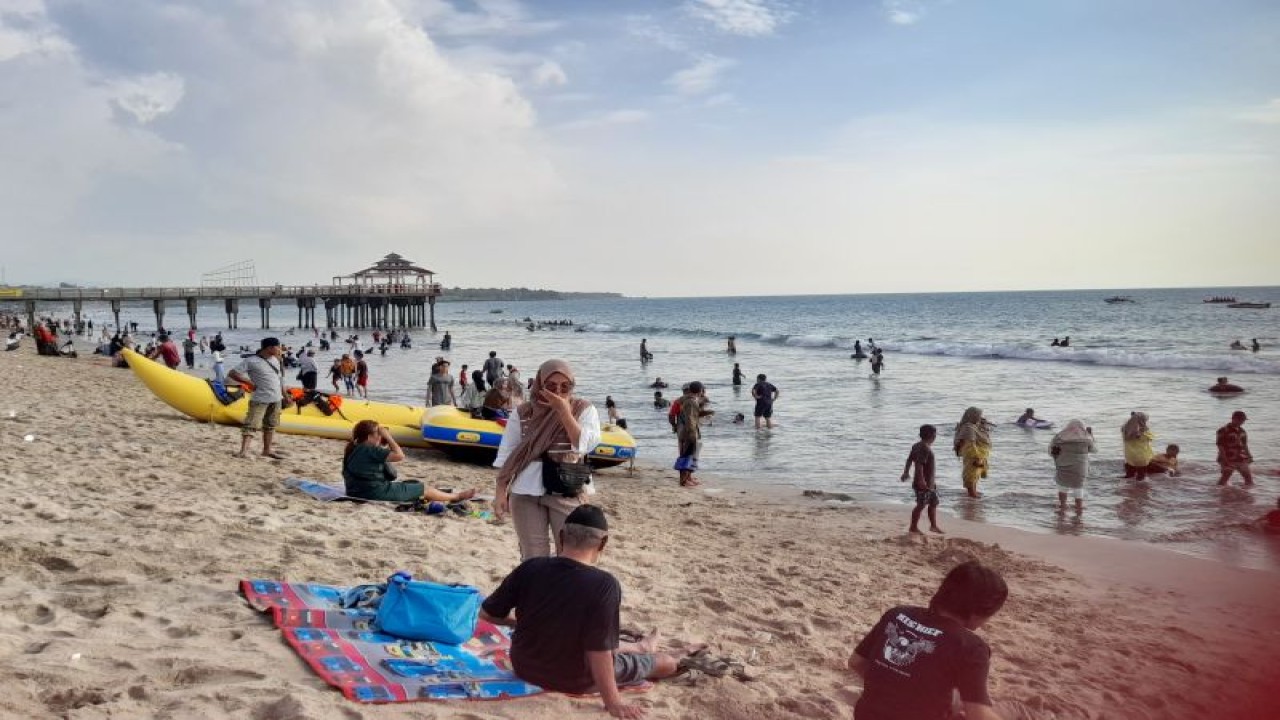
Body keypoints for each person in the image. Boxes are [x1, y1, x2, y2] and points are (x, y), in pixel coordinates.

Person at [479, 505, 682, 717]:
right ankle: (642, 650)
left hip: (525, 666)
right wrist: (613, 702)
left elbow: (487, 613)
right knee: (666, 663)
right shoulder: (604, 584)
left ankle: (640, 646)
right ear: (603, 543)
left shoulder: (530, 567)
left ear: (561, 536)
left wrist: (521, 622)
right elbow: (599, 652)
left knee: (581, 634)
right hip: (575, 678)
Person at [848, 561, 1009, 720]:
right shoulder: (971, 647)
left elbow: (856, 662)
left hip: (867, 714)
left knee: (958, 699)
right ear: (979, 612)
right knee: (1015, 710)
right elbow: (977, 715)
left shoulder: (897, 615)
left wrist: (894, 689)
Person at [493, 359, 602, 560]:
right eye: (551, 386)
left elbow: (584, 444)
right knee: (533, 556)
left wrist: (563, 411)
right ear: (540, 385)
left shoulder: (583, 409)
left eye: (564, 387)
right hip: (525, 492)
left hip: (566, 489)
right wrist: (500, 492)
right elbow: (508, 454)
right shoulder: (524, 412)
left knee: (570, 555)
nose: (558, 392)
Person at [343, 420, 476, 503]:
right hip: (373, 492)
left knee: (412, 483)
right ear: (369, 437)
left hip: (354, 490)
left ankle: (442, 493)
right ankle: (457, 497)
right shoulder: (370, 449)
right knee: (423, 489)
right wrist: (389, 437)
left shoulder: (353, 447)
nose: (380, 437)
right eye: (378, 434)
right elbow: (400, 456)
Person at [227, 337, 290, 459]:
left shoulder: (276, 360)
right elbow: (233, 373)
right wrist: (249, 383)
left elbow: (280, 379)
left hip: (276, 398)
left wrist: (285, 396)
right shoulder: (251, 361)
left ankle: (267, 450)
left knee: (271, 425)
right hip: (260, 399)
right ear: (269, 348)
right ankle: (243, 451)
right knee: (250, 425)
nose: (280, 349)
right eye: (278, 347)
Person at [901, 424, 942, 534]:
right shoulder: (925, 448)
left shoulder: (916, 445)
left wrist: (906, 472)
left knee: (933, 503)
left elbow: (909, 460)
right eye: (935, 434)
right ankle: (913, 527)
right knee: (921, 505)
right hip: (924, 483)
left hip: (930, 483)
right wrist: (921, 480)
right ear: (933, 436)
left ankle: (933, 526)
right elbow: (919, 465)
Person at [1049, 421, 1094, 514]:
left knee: (1062, 486)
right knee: (1078, 487)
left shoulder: (1059, 437)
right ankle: (1079, 509)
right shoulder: (1087, 438)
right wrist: (1091, 435)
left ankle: (1063, 506)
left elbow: (1050, 451)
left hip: (1063, 464)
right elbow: (1094, 449)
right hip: (1080, 467)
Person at [674, 381, 712, 488]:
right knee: (686, 456)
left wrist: (707, 412)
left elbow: (693, 415)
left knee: (688, 456)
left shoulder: (689, 400)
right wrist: (692, 435)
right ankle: (684, 481)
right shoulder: (690, 402)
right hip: (688, 433)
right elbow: (690, 419)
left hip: (687, 432)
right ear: (700, 391)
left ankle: (686, 479)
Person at [953, 408, 991, 499]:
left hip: (979, 453)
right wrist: (976, 456)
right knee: (971, 473)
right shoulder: (968, 427)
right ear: (972, 415)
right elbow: (970, 443)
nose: (979, 417)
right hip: (973, 454)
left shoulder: (973, 426)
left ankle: (973, 492)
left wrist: (983, 424)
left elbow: (984, 433)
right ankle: (972, 494)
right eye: (978, 415)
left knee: (976, 473)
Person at [1216, 410, 1253, 486]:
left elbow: (1245, 445)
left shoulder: (1242, 431)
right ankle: (1218, 493)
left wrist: (1249, 456)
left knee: (1248, 479)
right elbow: (1220, 446)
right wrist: (1225, 460)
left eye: (1243, 420)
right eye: (1241, 420)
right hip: (1227, 458)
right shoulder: (1223, 430)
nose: (1243, 422)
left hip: (1241, 458)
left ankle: (1247, 495)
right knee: (1225, 478)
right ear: (1234, 419)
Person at [1121, 412, 1155, 481]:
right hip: (1141, 455)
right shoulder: (1144, 431)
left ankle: (1127, 486)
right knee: (1141, 478)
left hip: (1129, 455)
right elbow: (1150, 438)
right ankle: (1139, 489)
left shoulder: (1124, 429)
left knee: (1129, 476)